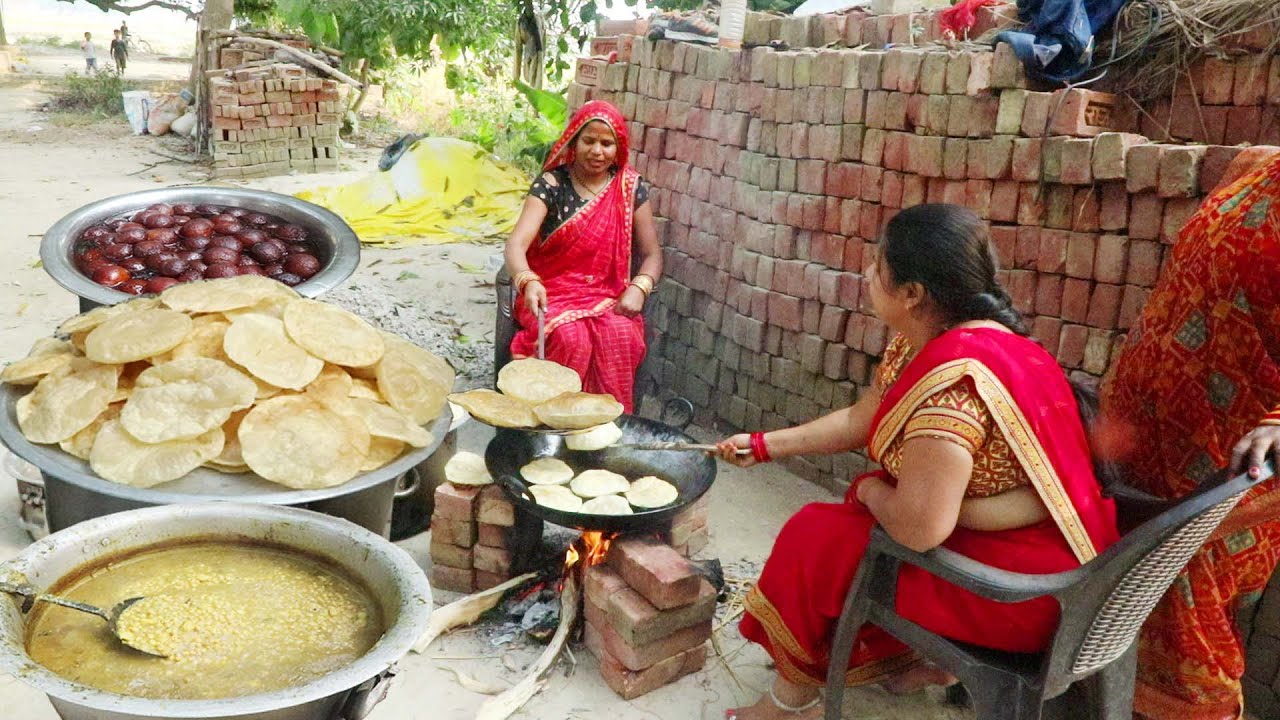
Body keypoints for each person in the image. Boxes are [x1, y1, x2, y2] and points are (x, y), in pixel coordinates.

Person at [716, 204, 1120, 720]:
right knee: (849, 526)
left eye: (878, 267)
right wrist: (767, 444)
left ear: (912, 294)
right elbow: (863, 418)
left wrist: (867, 490)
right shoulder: (945, 339)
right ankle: (930, 664)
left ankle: (786, 704)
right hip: (1051, 557)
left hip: (1029, 597)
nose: (866, 275)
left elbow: (919, 528)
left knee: (816, 537)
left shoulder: (953, 388)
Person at [1099, 147, 1280, 720]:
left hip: (1228, 455)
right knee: (1111, 567)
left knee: (1179, 581)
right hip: (1145, 430)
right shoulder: (1256, 165)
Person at [503, 100, 662, 412]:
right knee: (570, 338)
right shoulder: (551, 184)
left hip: (607, 296)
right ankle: (553, 427)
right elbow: (515, 245)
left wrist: (639, 287)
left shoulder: (629, 188)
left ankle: (608, 431)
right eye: (589, 141)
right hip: (552, 294)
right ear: (574, 141)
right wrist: (528, 281)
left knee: (620, 335)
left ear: (619, 147)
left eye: (607, 143)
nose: (597, 151)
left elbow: (652, 253)